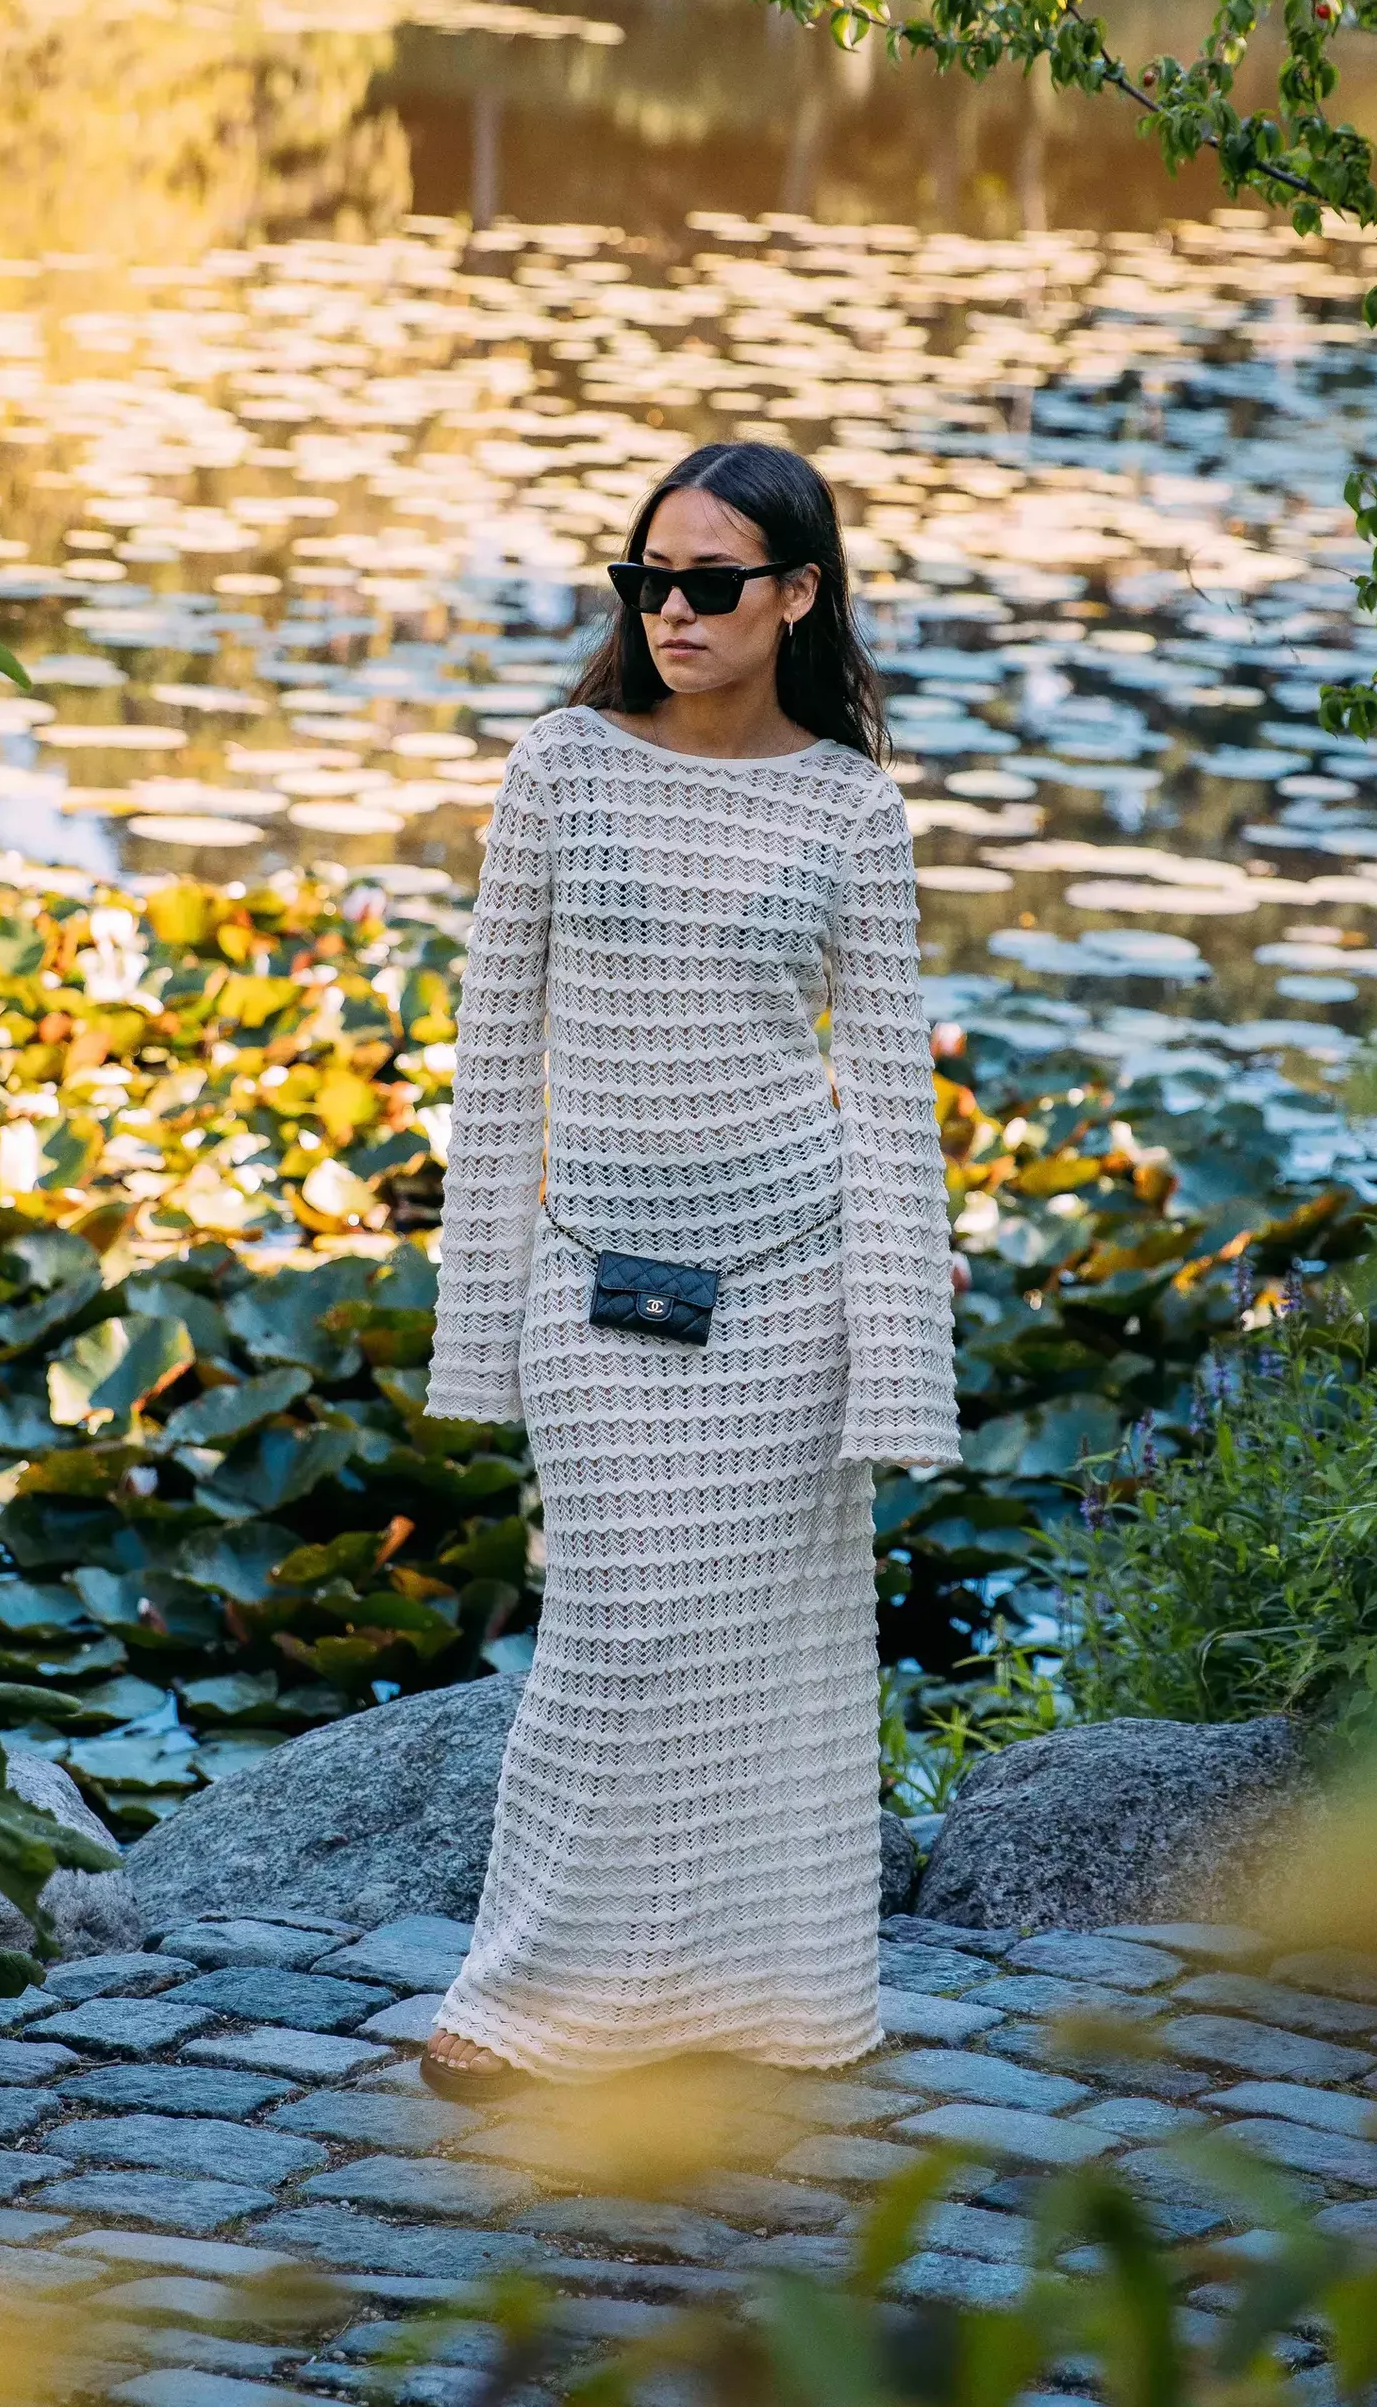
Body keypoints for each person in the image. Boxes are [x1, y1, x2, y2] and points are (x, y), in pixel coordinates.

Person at [418, 438, 960, 2094]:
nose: (674, 610)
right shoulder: (560, 771)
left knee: (761, 1658)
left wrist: (900, 1368)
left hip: (794, 1283)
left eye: (711, 582)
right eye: (648, 579)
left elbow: (888, 1100)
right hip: (595, 1281)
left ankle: (771, 2004)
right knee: (613, 1637)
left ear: (798, 594)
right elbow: (493, 1059)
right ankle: (519, 2004)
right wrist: (477, 1332)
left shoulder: (850, 804)